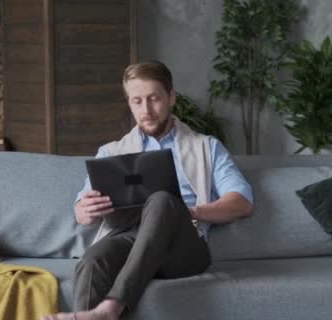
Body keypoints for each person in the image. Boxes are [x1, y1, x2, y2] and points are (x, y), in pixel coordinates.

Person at [43, 60, 254, 320]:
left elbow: (242, 202)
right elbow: (81, 213)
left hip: (183, 248)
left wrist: (188, 211)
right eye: (137, 101)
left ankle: (111, 307)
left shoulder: (207, 147)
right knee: (94, 258)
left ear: (171, 97)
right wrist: (85, 210)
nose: (146, 110)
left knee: (163, 200)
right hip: (129, 237)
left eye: (154, 99)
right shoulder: (110, 152)